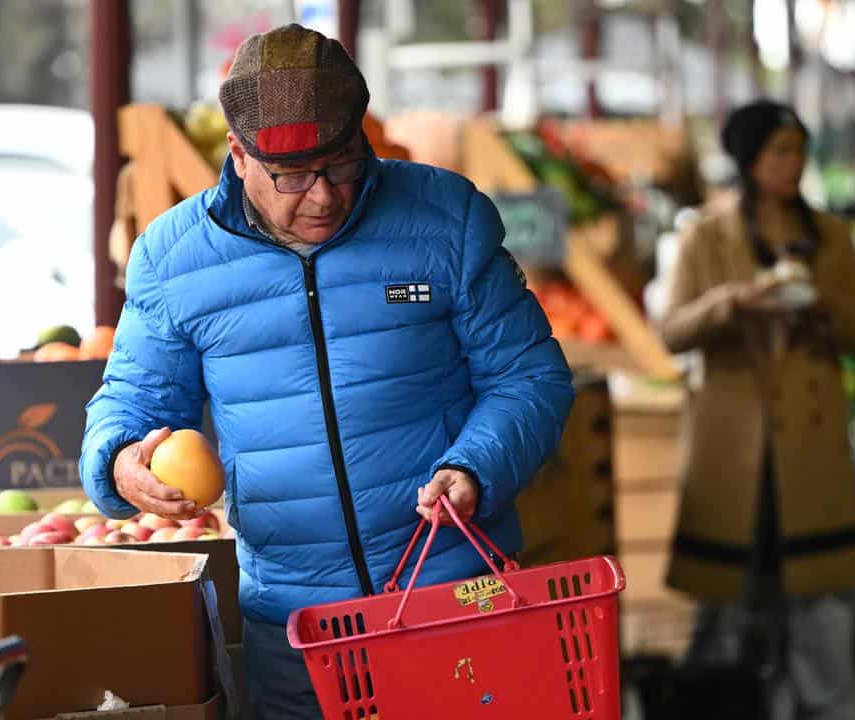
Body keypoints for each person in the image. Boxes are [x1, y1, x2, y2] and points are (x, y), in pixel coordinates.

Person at [80, 24, 574, 719]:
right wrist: (124, 463)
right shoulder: (173, 258)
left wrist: (474, 468)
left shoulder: (445, 219)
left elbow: (530, 376)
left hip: (455, 596)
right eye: (292, 177)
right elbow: (131, 401)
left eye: (342, 166)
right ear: (238, 154)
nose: (322, 197)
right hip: (297, 626)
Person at [661, 100, 855, 720]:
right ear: (749, 160)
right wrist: (734, 301)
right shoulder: (707, 235)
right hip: (733, 447)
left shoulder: (830, 236)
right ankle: (725, 703)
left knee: (821, 598)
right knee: (725, 598)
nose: (794, 163)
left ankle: (830, 708)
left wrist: (824, 308)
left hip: (810, 442)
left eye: (799, 150)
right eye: (780, 151)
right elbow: (672, 331)